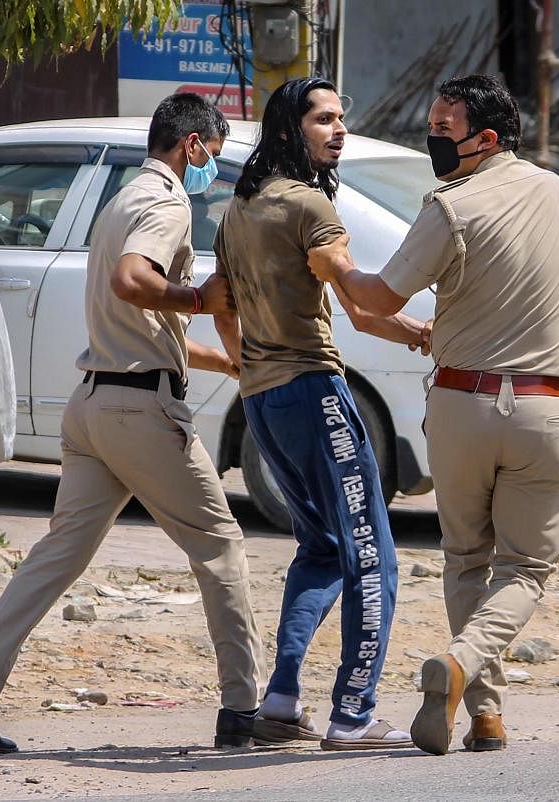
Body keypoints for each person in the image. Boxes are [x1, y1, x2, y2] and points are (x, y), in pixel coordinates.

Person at [0, 93, 267, 753]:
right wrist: (199, 298)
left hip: (94, 404)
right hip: (140, 409)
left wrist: (224, 363)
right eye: (211, 157)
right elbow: (131, 281)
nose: (208, 173)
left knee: (57, 556)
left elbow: (145, 323)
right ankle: (244, 711)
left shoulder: (120, 200)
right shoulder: (167, 204)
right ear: (192, 145)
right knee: (220, 546)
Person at [307, 73, 559, 756]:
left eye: (444, 128)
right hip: (541, 407)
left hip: (460, 403)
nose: (433, 137)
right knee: (526, 570)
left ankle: (480, 708)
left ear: (485, 139)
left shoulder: (450, 206)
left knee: (466, 560)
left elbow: (375, 301)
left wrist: (333, 265)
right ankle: (466, 682)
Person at [213, 77, 431, 751]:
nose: (339, 129)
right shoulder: (308, 206)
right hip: (312, 390)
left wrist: (420, 335)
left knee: (324, 549)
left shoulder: (239, 208)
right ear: (290, 129)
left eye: (342, 117)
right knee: (375, 555)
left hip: (261, 400)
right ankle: (353, 713)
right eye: (325, 119)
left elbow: (223, 302)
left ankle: (280, 703)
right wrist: (428, 278)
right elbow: (360, 292)